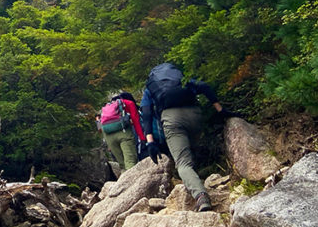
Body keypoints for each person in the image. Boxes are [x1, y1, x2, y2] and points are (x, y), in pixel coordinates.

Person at [139, 62, 236, 212]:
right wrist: (220, 109)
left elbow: (146, 114)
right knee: (191, 149)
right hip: (195, 115)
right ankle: (198, 179)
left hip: (172, 119)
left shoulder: (151, 87)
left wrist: (150, 141)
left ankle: (201, 196)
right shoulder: (180, 79)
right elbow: (204, 87)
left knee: (183, 162)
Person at [97, 91, 146, 171]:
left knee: (122, 165)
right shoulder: (129, 103)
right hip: (124, 134)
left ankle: (124, 182)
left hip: (108, 136)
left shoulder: (107, 107)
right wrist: (142, 138)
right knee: (130, 162)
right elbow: (136, 121)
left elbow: (101, 125)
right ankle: (132, 183)